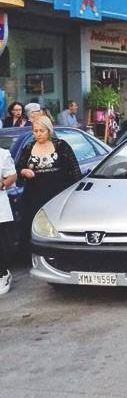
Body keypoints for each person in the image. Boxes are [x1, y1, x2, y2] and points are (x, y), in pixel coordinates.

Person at [15, 116, 82, 249]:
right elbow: (17, 169)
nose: (38, 134)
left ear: (49, 131)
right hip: (33, 195)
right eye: (35, 131)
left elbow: (74, 170)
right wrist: (23, 171)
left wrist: (75, 193)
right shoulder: (28, 147)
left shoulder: (61, 145)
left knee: (56, 225)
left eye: (41, 131)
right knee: (32, 225)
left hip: (57, 193)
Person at [0, 145, 18, 296]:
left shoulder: (2, 154)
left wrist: (2, 184)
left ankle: (3, 274)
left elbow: (12, 176)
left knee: (2, 244)